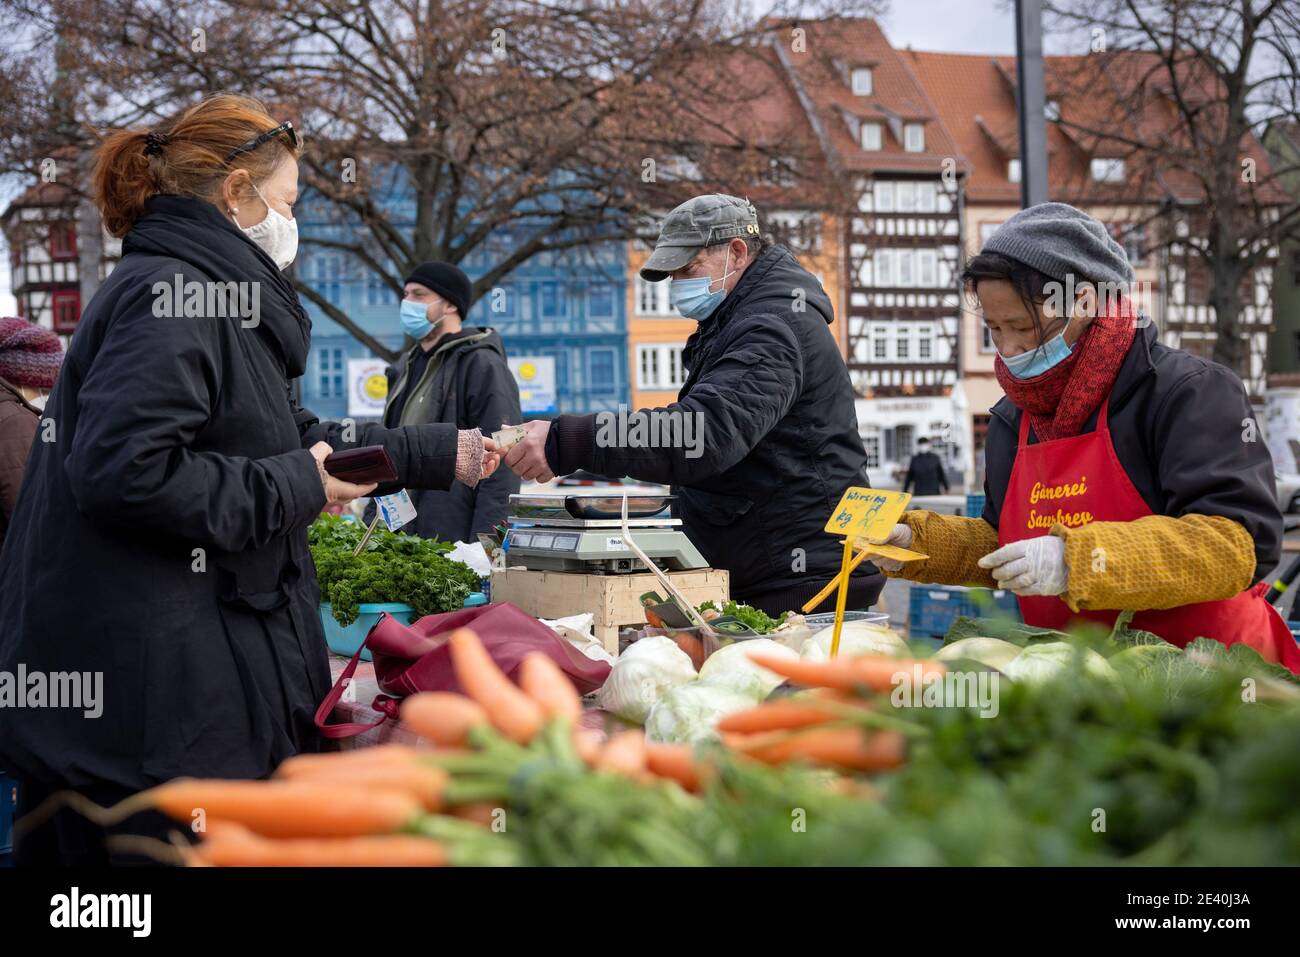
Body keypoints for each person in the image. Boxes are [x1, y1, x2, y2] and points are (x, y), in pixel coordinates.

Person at [0, 93, 501, 865]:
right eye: (289, 201)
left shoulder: (214, 299)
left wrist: (443, 452)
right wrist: (295, 486)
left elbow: (291, 442)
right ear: (237, 193)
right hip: (150, 720)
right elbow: (128, 472)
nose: (292, 223)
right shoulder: (172, 296)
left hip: (179, 692)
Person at [876, 202, 1300, 671]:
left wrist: (1080, 559)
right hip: (1084, 685)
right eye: (994, 329)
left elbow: (1236, 546)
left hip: (1210, 678)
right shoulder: (1010, 418)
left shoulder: (1187, 391)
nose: (1009, 348)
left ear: (1084, 302)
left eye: (1022, 326)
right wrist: (916, 544)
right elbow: (1004, 545)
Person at [505, 194, 881, 616]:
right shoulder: (738, 319)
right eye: (672, 274)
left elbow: (703, 433)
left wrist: (568, 440)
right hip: (772, 571)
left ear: (736, 252)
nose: (677, 284)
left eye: (688, 268)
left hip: (803, 585)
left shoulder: (772, 325)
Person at [372, 261, 521, 542]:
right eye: (405, 296)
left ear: (450, 305)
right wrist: (376, 528)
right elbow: (387, 452)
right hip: (401, 538)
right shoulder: (404, 368)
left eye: (418, 295)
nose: (407, 303)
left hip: (454, 542)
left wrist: (485, 547)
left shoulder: (482, 364)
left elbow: (504, 459)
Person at [0, 317, 63, 550]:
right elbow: (34, 520)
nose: (49, 395)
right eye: (47, 387)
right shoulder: (16, 421)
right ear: (25, 379)